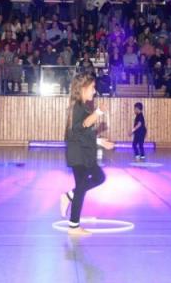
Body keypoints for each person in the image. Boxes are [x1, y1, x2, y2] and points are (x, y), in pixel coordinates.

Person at [59, 73, 115, 236]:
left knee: (99, 178)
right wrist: (98, 112)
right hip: (78, 154)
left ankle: (69, 196)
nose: (94, 91)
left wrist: (99, 141)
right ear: (83, 88)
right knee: (82, 186)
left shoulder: (83, 107)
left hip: (85, 152)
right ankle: (73, 226)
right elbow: (83, 125)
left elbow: (82, 132)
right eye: (92, 87)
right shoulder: (77, 106)